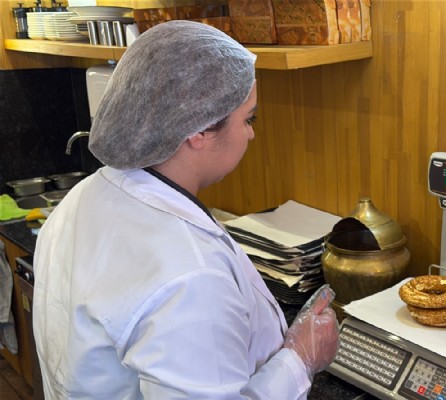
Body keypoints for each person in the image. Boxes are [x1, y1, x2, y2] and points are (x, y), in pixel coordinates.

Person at [33, 20, 339, 399]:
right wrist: (300, 359)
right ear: (198, 130)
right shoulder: (190, 277)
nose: (251, 133)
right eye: (248, 118)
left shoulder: (83, 197)